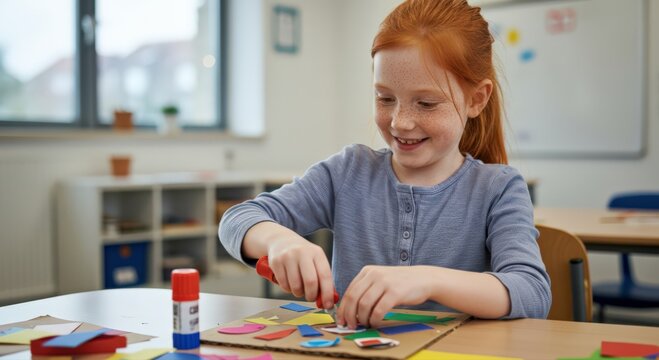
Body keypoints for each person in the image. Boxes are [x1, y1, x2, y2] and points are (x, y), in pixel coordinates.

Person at [219, 0, 551, 329]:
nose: (400, 122)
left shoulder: (498, 188)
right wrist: (280, 241)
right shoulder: (349, 172)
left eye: (425, 103)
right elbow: (237, 219)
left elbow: (532, 291)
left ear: (476, 99)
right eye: (385, 98)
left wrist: (428, 280)